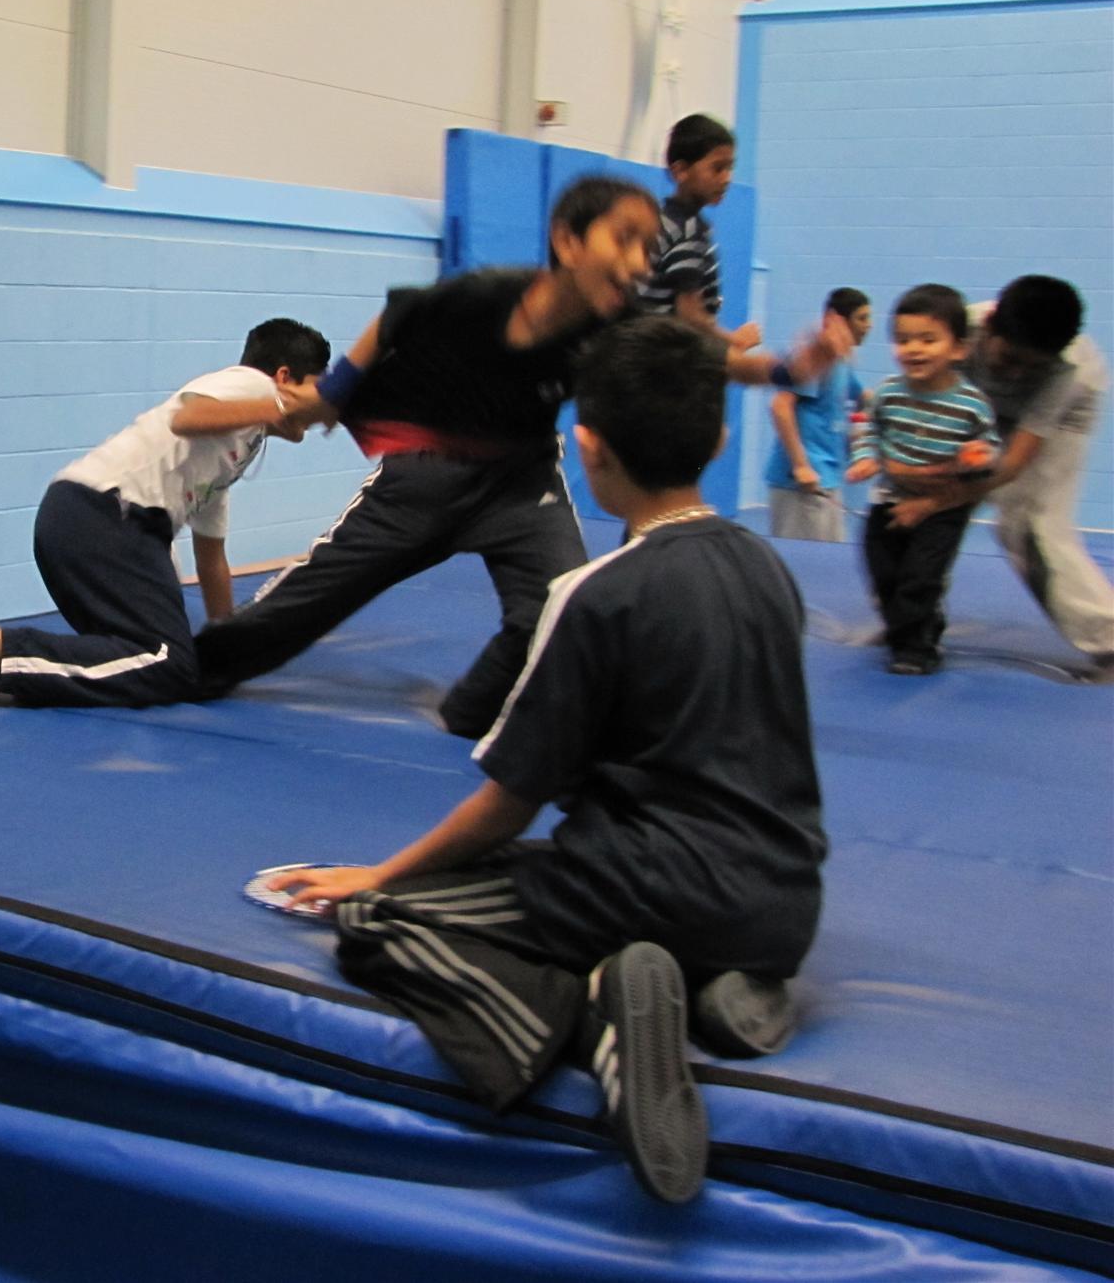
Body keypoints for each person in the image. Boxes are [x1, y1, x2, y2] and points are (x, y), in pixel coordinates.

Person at [265, 317, 826, 1205]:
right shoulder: (771, 571)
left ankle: (598, 1009)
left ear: (588, 448)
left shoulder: (595, 595)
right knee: (669, 891)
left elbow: (509, 804)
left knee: (381, 922)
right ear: (719, 439)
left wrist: (377, 875)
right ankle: (722, 986)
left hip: (639, 890)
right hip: (786, 904)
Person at [192, 176, 848, 738]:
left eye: (649, 249)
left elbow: (711, 356)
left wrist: (790, 369)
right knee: (294, 612)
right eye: (623, 240)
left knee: (557, 610)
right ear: (567, 240)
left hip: (520, 486)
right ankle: (190, 666)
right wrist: (334, 394)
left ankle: (471, 714)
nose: (639, 262)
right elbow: (396, 320)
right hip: (425, 479)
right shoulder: (484, 295)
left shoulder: (613, 326)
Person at [0, 318, 330, 709]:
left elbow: (211, 559)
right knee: (168, 664)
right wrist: (279, 404)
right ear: (283, 377)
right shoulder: (251, 384)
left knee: (152, 658)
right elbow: (186, 417)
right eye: (318, 387)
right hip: (103, 518)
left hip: (87, 519)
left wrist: (228, 641)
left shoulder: (237, 443)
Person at [912, 275, 1112, 675]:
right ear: (987, 330)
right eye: (1010, 359)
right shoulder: (954, 332)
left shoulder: (1067, 372)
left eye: (1031, 366)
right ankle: (910, 624)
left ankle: (1107, 637)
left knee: (1029, 525)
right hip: (979, 404)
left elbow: (1014, 463)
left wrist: (945, 497)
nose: (1018, 373)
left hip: (1058, 419)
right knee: (912, 501)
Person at [845, 283, 1000, 676]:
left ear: (959, 349)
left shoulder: (970, 404)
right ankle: (917, 622)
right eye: (903, 340)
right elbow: (868, 429)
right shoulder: (888, 394)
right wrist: (865, 458)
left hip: (943, 507)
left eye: (928, 340)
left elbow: (988, 445)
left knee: (921, 574)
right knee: (883, 569)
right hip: (889, 498)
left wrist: (978, 455)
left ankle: (916, 646)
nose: (914, 349)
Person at [635, 113, 760, 350]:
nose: (727, 179)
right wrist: (736, 341)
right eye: (717, 168)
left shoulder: (663, 219)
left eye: (730, 168)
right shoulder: (688, 230)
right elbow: (690, 316)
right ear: (681, 171)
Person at [763, 287, 873, 542]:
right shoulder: (813, 359)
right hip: (801, 484)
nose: (868, 326)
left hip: (828, 479)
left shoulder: (842, 361)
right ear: (836, 319)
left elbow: (864, 398)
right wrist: (801, 466)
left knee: (829, 560)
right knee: (801, 565)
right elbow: (780, 406)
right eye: (862, 318)